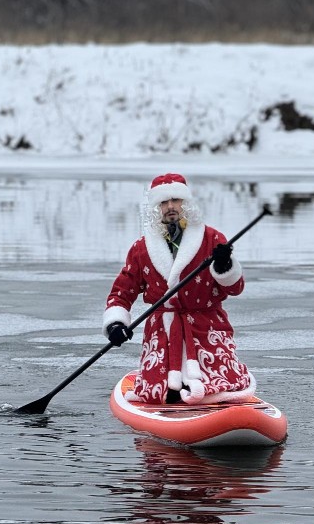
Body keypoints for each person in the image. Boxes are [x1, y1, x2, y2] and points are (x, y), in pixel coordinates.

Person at [102, 173, 255, 405]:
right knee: (163, 394)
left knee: (221, 388)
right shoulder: (141, 249)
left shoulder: (213, 240)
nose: (170, 206)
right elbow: (122, 292)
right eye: (163, 202)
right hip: (162, 333)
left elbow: (236, 288)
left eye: (176, 200)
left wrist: (225, 266)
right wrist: (116, 323)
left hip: (206, 328)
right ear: (156, 208)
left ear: (187, 203)